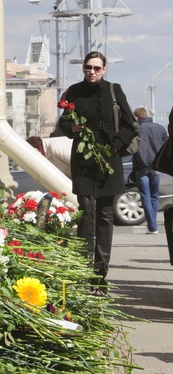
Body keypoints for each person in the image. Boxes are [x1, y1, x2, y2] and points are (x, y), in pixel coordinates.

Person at [58, 51, 136, 295]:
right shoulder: (74, 91)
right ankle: (84, 272)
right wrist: (71, 127)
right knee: (86, 213)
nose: (91, 72)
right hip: (83, 162)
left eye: (96, 68)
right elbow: (62, 123)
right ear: (83, 69)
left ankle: (100, 277)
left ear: (104, 69)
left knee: (104, 216)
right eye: (88, 67)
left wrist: (114, 146)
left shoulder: (114, 90)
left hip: (107, 162)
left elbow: (130, 125)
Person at [133, 107, 167, 234]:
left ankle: (152, 226)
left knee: (145, 196)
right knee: (154, 196)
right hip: (156, 166)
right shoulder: (159, 128)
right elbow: (165, 145)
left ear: (137, 117)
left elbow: (133, 148)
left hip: (142, 166)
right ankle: (153, 225)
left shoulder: (137, 129)